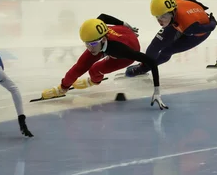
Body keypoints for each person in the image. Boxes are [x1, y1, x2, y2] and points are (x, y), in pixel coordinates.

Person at [40, 14, 168, 110]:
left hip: (128, 50)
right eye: (87, 44)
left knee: (95, 70)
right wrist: (63, 87)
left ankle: (94, 81)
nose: (90, 48)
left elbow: (151, 61)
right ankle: (66, 87)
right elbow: (102, 16)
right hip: (120, 32)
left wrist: (157, 91)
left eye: (93, 44)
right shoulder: (95, 36)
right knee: (81, 66)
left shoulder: (120, 50)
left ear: (102, 39)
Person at [125, 0, 217, 77]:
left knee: (168, 50)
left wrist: (212, 21)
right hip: (183, 19)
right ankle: (144, 65)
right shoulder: (172, 1)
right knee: (155, 45)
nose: (160, 21)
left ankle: (145, 68)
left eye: (163, 16)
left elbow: (211, 27)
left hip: (199, 32)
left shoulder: (188, 28)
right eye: (157, 17)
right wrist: (198, 4)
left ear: (172, 12)